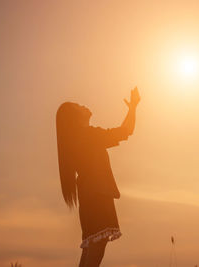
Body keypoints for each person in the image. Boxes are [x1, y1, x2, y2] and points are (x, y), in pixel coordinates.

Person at [56, 87, 141, 267]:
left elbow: (124, 131)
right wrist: (133, 107)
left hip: (89, 198)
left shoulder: (80, 139)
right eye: (79, 106)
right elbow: (125, 131)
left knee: (92, 247)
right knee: (96, 248)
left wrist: (132, 108)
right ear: (75, 118)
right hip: (97, 196)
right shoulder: (88, 136)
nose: (84, 105)